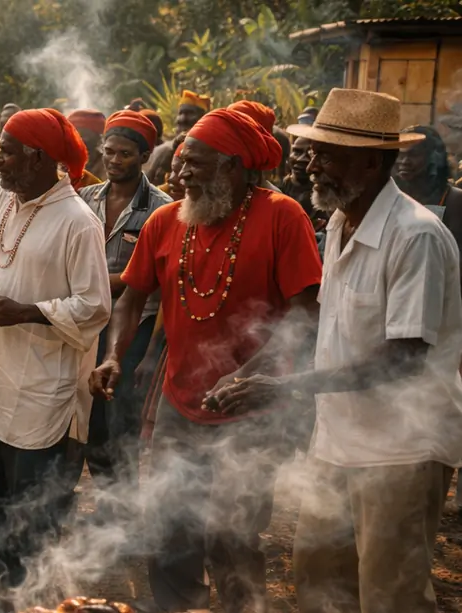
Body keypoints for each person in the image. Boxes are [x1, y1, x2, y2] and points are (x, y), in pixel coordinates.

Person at [191, 88, 460, 613]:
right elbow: (320, 327)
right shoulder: (339, 222)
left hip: (402, 450)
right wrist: (247, 374)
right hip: (337, 439)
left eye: (327, 155)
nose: (311, 166)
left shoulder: (416, 236)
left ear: (372, 162)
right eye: (313, 153)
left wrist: (286, 386)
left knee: (390, 596)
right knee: (319, 582)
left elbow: (404, 357)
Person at [90, 108, 322, 613]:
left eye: (195, 164)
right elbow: (131, 297)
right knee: (170, 522)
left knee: (231, 532)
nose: (181, 173)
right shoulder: (166, 219)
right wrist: (113, 356)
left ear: (233, 167)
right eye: (179, 162)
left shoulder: (283, 216)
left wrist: (246, 374)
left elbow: (305, 313)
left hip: (254, 408)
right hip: (180, 401)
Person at [0, 108, 111, 612]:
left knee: (29, 508)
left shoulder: (78, 222)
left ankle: (27, 599)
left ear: (37, 158)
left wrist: (27, 312)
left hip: (39, 388)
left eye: (7, 152)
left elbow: (94, 305)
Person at [75, 110, 172, 523]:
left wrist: (91, 283)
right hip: (86, 324)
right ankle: (110, 506)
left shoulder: (161, 209)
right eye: (109, 151)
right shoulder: (85, 199)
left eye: (125, 154)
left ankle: (126, 513)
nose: (114, 160)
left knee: (121, 423)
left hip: (135, 327)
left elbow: (149, 284)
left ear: (145, 157)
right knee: (90, 422)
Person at [146, 90, 210, 185]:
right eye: (180, 113)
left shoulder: (209, 151)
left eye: (189, 113)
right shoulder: (163, 150)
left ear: (202, 118)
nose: (183, 119)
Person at [68, 109, 107, 185]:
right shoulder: (62, 164)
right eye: (74, 136)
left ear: (98, 138)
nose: (79, 141)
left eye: (84, 136)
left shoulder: (105, 165)